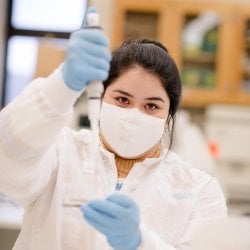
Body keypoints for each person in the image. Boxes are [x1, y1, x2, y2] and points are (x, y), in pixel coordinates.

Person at [0, 7, 227, 250]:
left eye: (151, 105)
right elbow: (8, 161)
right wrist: (62, 85)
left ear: (169, 115)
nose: (133, 115)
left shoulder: (199, 190)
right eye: (122, 100)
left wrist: (140, 243)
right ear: (100, 96)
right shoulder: (61, 152)